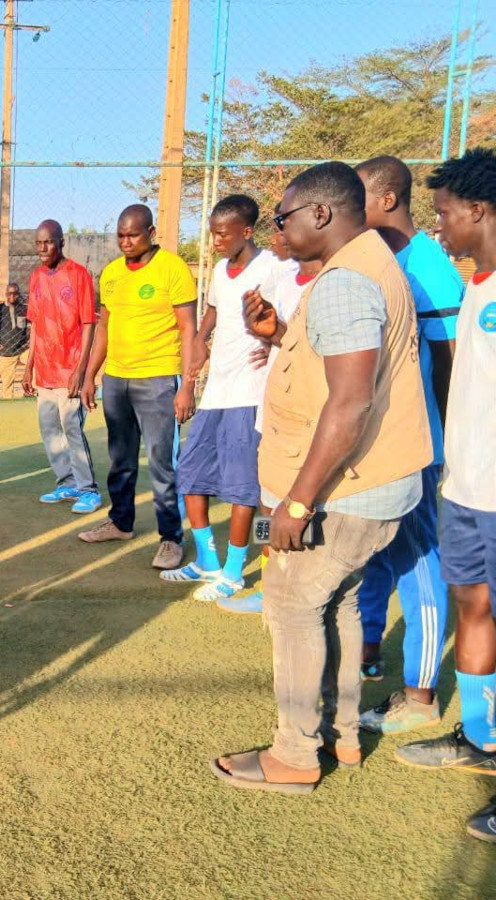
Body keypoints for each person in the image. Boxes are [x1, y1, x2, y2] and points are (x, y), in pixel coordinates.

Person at [212, 161, 430, 793]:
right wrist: (280, 334)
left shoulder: (345, 281)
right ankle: (343, 734)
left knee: (292, 607)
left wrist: (298, 502)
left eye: (284, 219)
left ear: (322, 214)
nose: (277, 231)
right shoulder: (368, 262)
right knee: (336, 604)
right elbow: (339, 367)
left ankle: (296, 755)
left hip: (345, 489)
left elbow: (350, 402)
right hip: (371, 482)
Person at [392, 148, 496, 843]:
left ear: (479, 210)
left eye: (446, 214)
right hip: (465, 487)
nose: (440, 227)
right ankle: (483, 738)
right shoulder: (477, 288)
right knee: (474, 605)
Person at [349, 156, 463, 734]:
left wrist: (441, 446)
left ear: (388, 200)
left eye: (359, 199)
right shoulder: (383, 260)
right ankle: (369, 648)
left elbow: (451, 367)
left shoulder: (428, 268)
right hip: (385, 445)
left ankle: (420, 695)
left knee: (419, 559)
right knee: (378, 552)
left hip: (421, 446)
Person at [162, 195, 280, 599]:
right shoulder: (219, 270)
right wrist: (189, 379)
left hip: (250, 393)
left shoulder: (271, 266)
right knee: (191, 474)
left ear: (246, 232)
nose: (215, 241)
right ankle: (207, 561)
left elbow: (290, 315)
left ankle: (233, 573)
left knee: (243, 486)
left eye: (222, 234)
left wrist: (275, 344)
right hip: (215, 392)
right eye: (212, 234)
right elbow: (208, 320)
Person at [79, 205, 198, 569]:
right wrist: (90, 375)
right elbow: (104, 327)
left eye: (133, 234)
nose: (126, 242)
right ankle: (120, 523)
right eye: (120, 235)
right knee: (121, 458)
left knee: (162, 462)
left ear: (151, 232)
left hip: (158, 378)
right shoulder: (112, 273)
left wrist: (187, 385)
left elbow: (188, 329)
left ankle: (171, 538)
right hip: (116, 380)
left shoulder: (173, 269)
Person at [220, 205, 321, 616]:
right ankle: (270, 584)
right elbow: (275, 335)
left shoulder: (324, 283)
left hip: (305, 415)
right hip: (271, 409)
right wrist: (270, 339)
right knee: (268, 504)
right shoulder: (281, 279)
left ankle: (299, 589)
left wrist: (279, 339)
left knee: (302, 506)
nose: (276, 236)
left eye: (283, 227)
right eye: (276, 227)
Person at [22, 220, 101, 514]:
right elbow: (35, 324)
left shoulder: (79, 275)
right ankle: (66, 482)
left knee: (72, 428)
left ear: (61, 242)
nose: (43, 249)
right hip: (44, 370)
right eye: (38, 243)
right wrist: (29, 366)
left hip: (70, 369)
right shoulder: (36, 277)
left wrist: (82, 370)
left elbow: (89, 323)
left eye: (48, 242)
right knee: (50, 429)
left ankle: (89, 489)